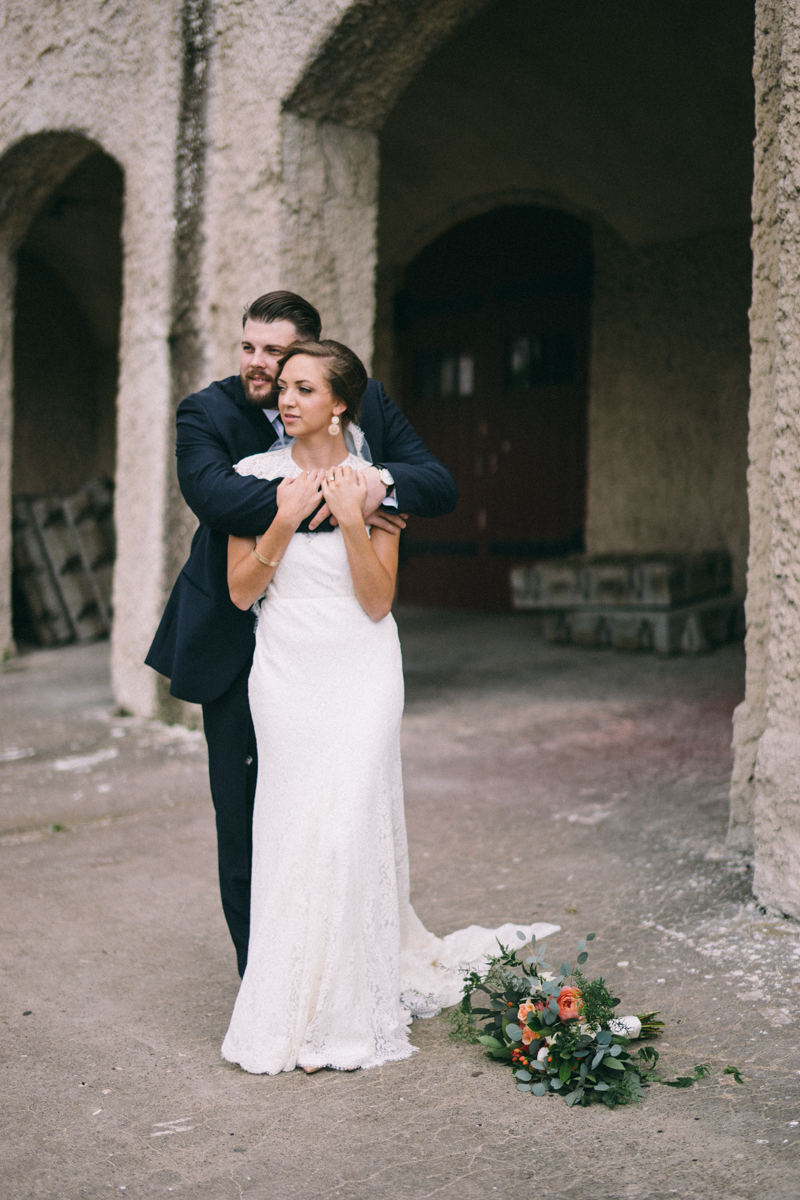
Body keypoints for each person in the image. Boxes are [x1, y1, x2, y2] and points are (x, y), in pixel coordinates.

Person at [219, 339, 558, 1074]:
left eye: (305, 388)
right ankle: (287, 1005)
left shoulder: (376, 487)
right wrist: (281, 518)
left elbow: (376, 602)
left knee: (346, 828)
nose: (286, 398)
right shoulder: (249, 478)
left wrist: (348, 517)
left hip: (361, 671)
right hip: (284, 673)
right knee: (292, 832)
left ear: (340, 404)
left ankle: (346, 1008)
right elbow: (242, 591)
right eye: (283, 386)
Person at [145, 292, 459, 977]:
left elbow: (434, 483)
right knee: (246, 816)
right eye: (248, 347)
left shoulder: (361, 398)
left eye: (278, 354)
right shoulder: (206, 410)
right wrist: (346, 500)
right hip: (238, 635)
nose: (260, 366)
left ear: (311, 357)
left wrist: (371, 488)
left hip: (340, 649)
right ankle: (265, 982)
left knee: (338, 811)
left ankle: (344, 966)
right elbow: (218, 499)